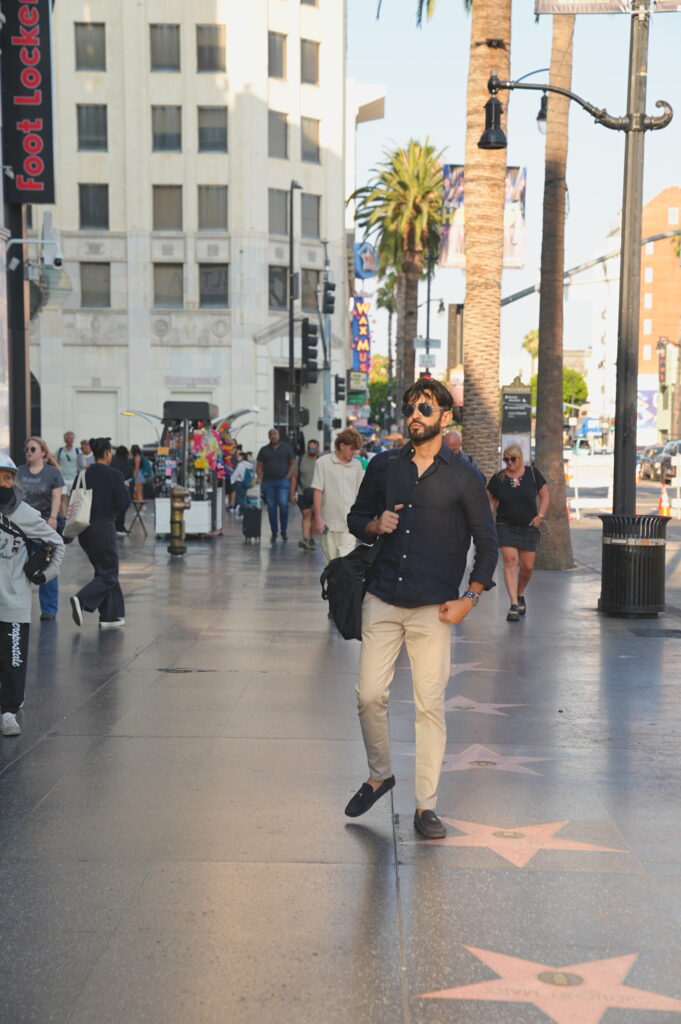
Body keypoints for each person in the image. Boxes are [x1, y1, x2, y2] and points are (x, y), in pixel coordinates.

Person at [345, 379, 498, 840]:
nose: (416, 413)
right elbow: (356, 519)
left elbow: (487, 543)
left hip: (435, 608)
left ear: (445, 417)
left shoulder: (464, 475)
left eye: (426, 408)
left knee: (429, 705)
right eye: (411, 406)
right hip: (382, 598)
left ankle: (425, 806)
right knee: (369, 695)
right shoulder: (383, 466)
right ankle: (380, 775)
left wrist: (470, 598)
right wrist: (375, 523)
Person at [0, 453, 64, 736]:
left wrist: (44, 575)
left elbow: (57, 544)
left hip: (14, 601)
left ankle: (9, 712)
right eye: (2, 477)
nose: (7, 482)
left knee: (14, 662)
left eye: (9, 478)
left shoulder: (25, 514)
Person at [70, 437, 131, 630]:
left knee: (103, 570)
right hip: (103, 528)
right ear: (106, 453)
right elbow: (123, 505)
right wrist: (124, 490)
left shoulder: (83, 474)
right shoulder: (115, 475)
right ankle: (81, 599)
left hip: (84, 530)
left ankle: (109, 616)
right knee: (109, 574)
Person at [487, 443, 549, 622]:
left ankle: (520, 593)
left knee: (527, 567)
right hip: (505, 525)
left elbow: (545, 496)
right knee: (510, 561)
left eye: (513, 459)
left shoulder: (532, 474)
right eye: (506, 459)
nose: (509, 463)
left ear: (521, 459)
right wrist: (487, 522)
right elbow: (491, 502)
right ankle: (513, 604)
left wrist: (540, 515)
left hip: (529, 526)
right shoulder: (499, 478)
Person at [16, 436, 65, 621]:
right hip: (21, 527)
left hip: (43, 525)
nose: (29, 452)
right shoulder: (19, 472)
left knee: (46, 566)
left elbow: (56, 497)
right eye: (27, 449)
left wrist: (53, 518)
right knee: (18, 568)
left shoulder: (52, 473)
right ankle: (20, 605)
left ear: (43, 453)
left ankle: (49, 609)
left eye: (33, 449)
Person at [312, 428, 365, 563]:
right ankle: (331, 585)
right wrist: (318, 518)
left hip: (349, 523)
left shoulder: (357, 465)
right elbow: (318, 490)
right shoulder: (322, 463)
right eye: (352, 449)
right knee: (330, 563)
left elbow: (361, 493)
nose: (354, 453)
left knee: (344, 562)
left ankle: (342, 584)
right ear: (342, 445)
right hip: (328, 522)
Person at [256, 428, 295, 542]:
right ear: (268, 437)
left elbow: (292, 462)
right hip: (268, 482)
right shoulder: (264, 450)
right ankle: (274, 532)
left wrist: (288, 475)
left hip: (283, 481)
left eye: (275, 434)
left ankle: (284, 530)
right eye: (271, 434)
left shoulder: (286, 448)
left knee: (283, 505)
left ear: (279, 435)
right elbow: (259, 465)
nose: (273, 436)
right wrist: (259, 477)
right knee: (271, 508)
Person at [293, 439, 320, 550]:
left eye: (313, 448)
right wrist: (292, 493)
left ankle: (312, 539)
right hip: (302, 491)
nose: (311, 450)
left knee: (313, 516)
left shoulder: (321, 461)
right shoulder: (300, 460)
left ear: (317, 449)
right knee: (306, 514)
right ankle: (305, 538)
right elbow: (294, 477)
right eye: (309, 448)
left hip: (316, 492)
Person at [56, 431, 84, 515]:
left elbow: (82, 464)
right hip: (63, 478)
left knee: (74, 498)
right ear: (65, 439)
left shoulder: (77, 451)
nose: (71, 440)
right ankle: (64, 516)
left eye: (72, 438)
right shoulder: (60, 451)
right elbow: (56, 463)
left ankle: (73, 516)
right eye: (69, 438)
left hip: (74, 478)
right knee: (62, 498)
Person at [111, 445, 134, 535]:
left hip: (118, 488)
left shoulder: (113, 461)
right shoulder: (125, 462)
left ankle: (119, 527)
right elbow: (128, 474)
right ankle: (119, 528)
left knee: (118, 510)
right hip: (125, 488)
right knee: (122, 510)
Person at [230, 450, 255, 516]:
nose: (237, 457)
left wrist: (232, 480)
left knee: (238, 500)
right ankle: (242, 514)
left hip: (239, 483)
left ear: (242, 457)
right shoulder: (249, 465)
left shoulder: (241, 464)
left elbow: (236, 473)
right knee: (243, 498)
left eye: (239, 456)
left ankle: (249, 506)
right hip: (246, 483)